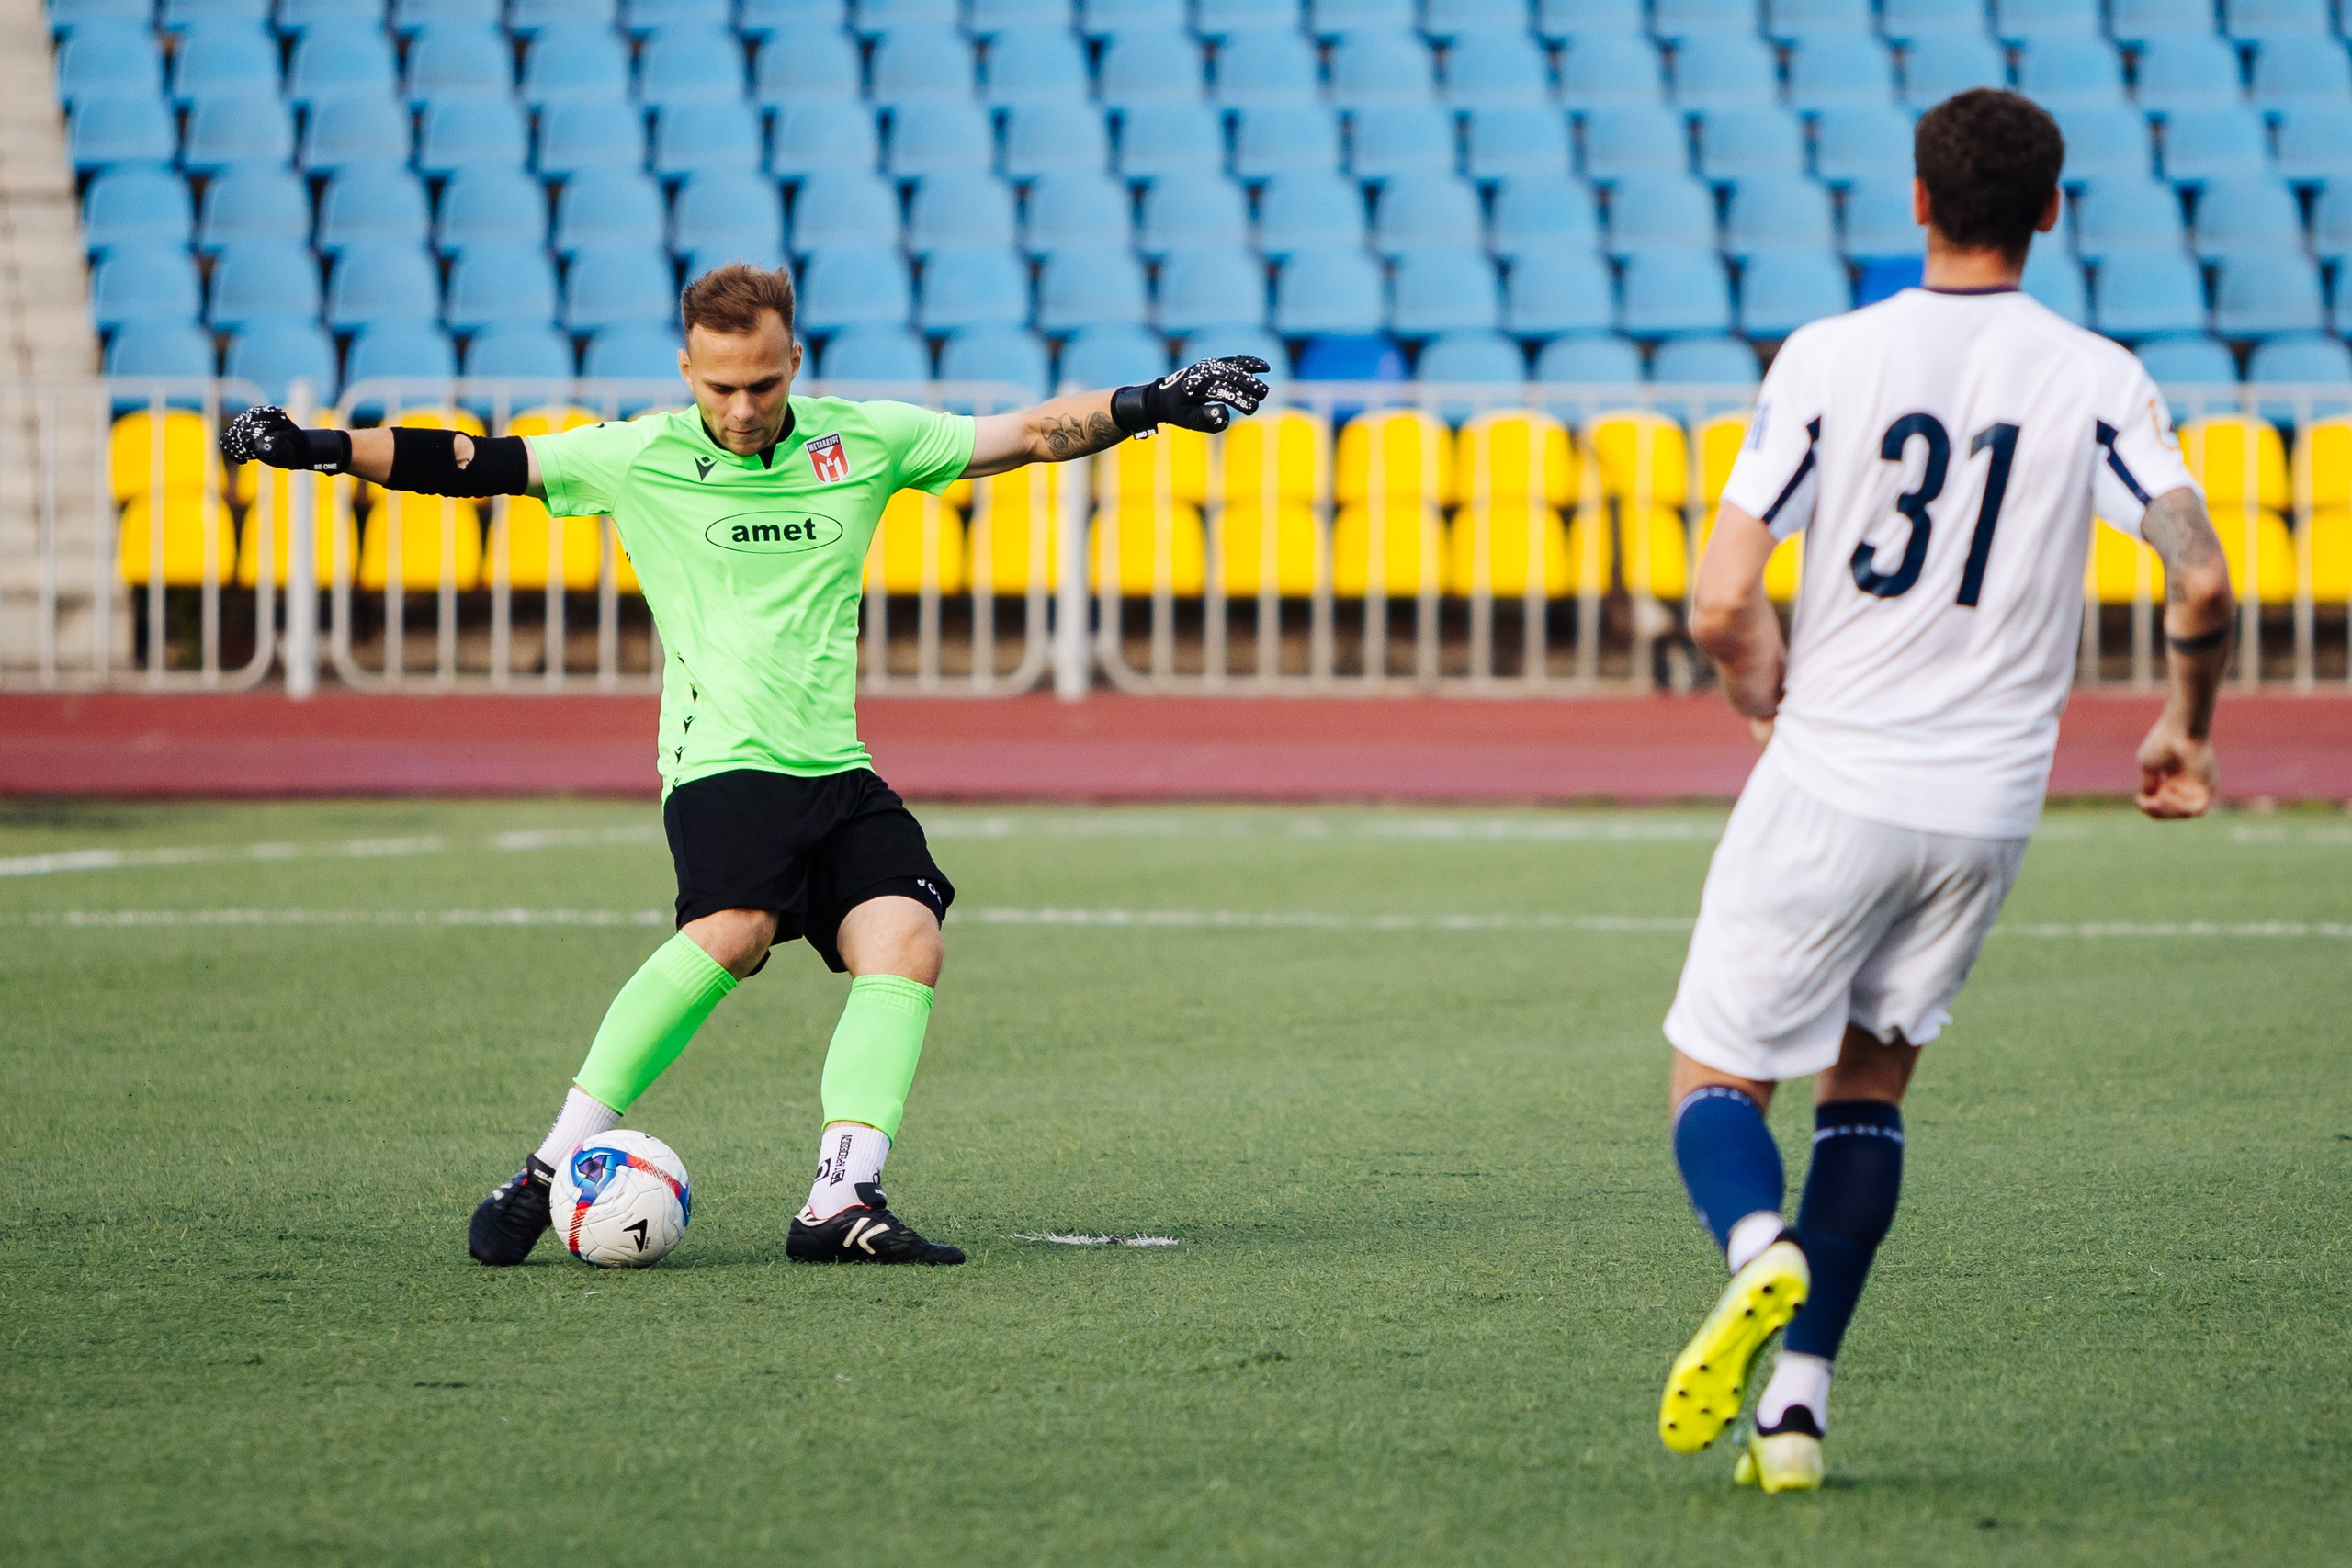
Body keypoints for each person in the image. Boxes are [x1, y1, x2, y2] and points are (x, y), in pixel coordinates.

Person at [223, 264, 1269, 1268]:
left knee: (905, 942)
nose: (742, 405)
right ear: (688, 372)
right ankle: (546, 1171)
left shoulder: (866, 439)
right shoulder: (637, 456)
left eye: (763, 383)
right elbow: (468, 462)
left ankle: (840, 1197)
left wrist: (1151, 401)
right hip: (721, 762)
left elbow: (1034, 434)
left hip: (837, 768)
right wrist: (311, 445)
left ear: (793, 361)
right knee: (730, 936)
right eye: (721, 385)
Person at [1654, 90, 2234, 1492]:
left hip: (1835, 772)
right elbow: (2201, 569)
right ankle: (1795, 1413)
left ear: (1916, 198)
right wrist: (2184, 726)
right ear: (2050, 208)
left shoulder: (1828, 357)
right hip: (1985, 805)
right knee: (1872, 1086)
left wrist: (1754, 692)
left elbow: (1724, 597)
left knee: (1716, 1073)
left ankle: (1757, 1248)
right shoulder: (2098, 375)